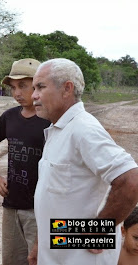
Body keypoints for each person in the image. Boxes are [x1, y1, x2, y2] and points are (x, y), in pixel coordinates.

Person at [28, 58, 138, 265]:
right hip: (59, 250)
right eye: (34, 88)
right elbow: (55, 203)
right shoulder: (58, 130)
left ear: (67, 89)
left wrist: (97, 232)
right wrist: (41, 245)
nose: (33, 95)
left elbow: (131, 180)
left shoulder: (83, 129)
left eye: (40, 87)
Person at [0, 58, 50, 265]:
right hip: (11, 205)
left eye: (23, 85)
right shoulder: (9, 117)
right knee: (12, 259)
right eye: (13, 87)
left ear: (39, 84)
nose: (17, 93)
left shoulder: (50, 119)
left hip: (40, 209)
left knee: (39, 259)